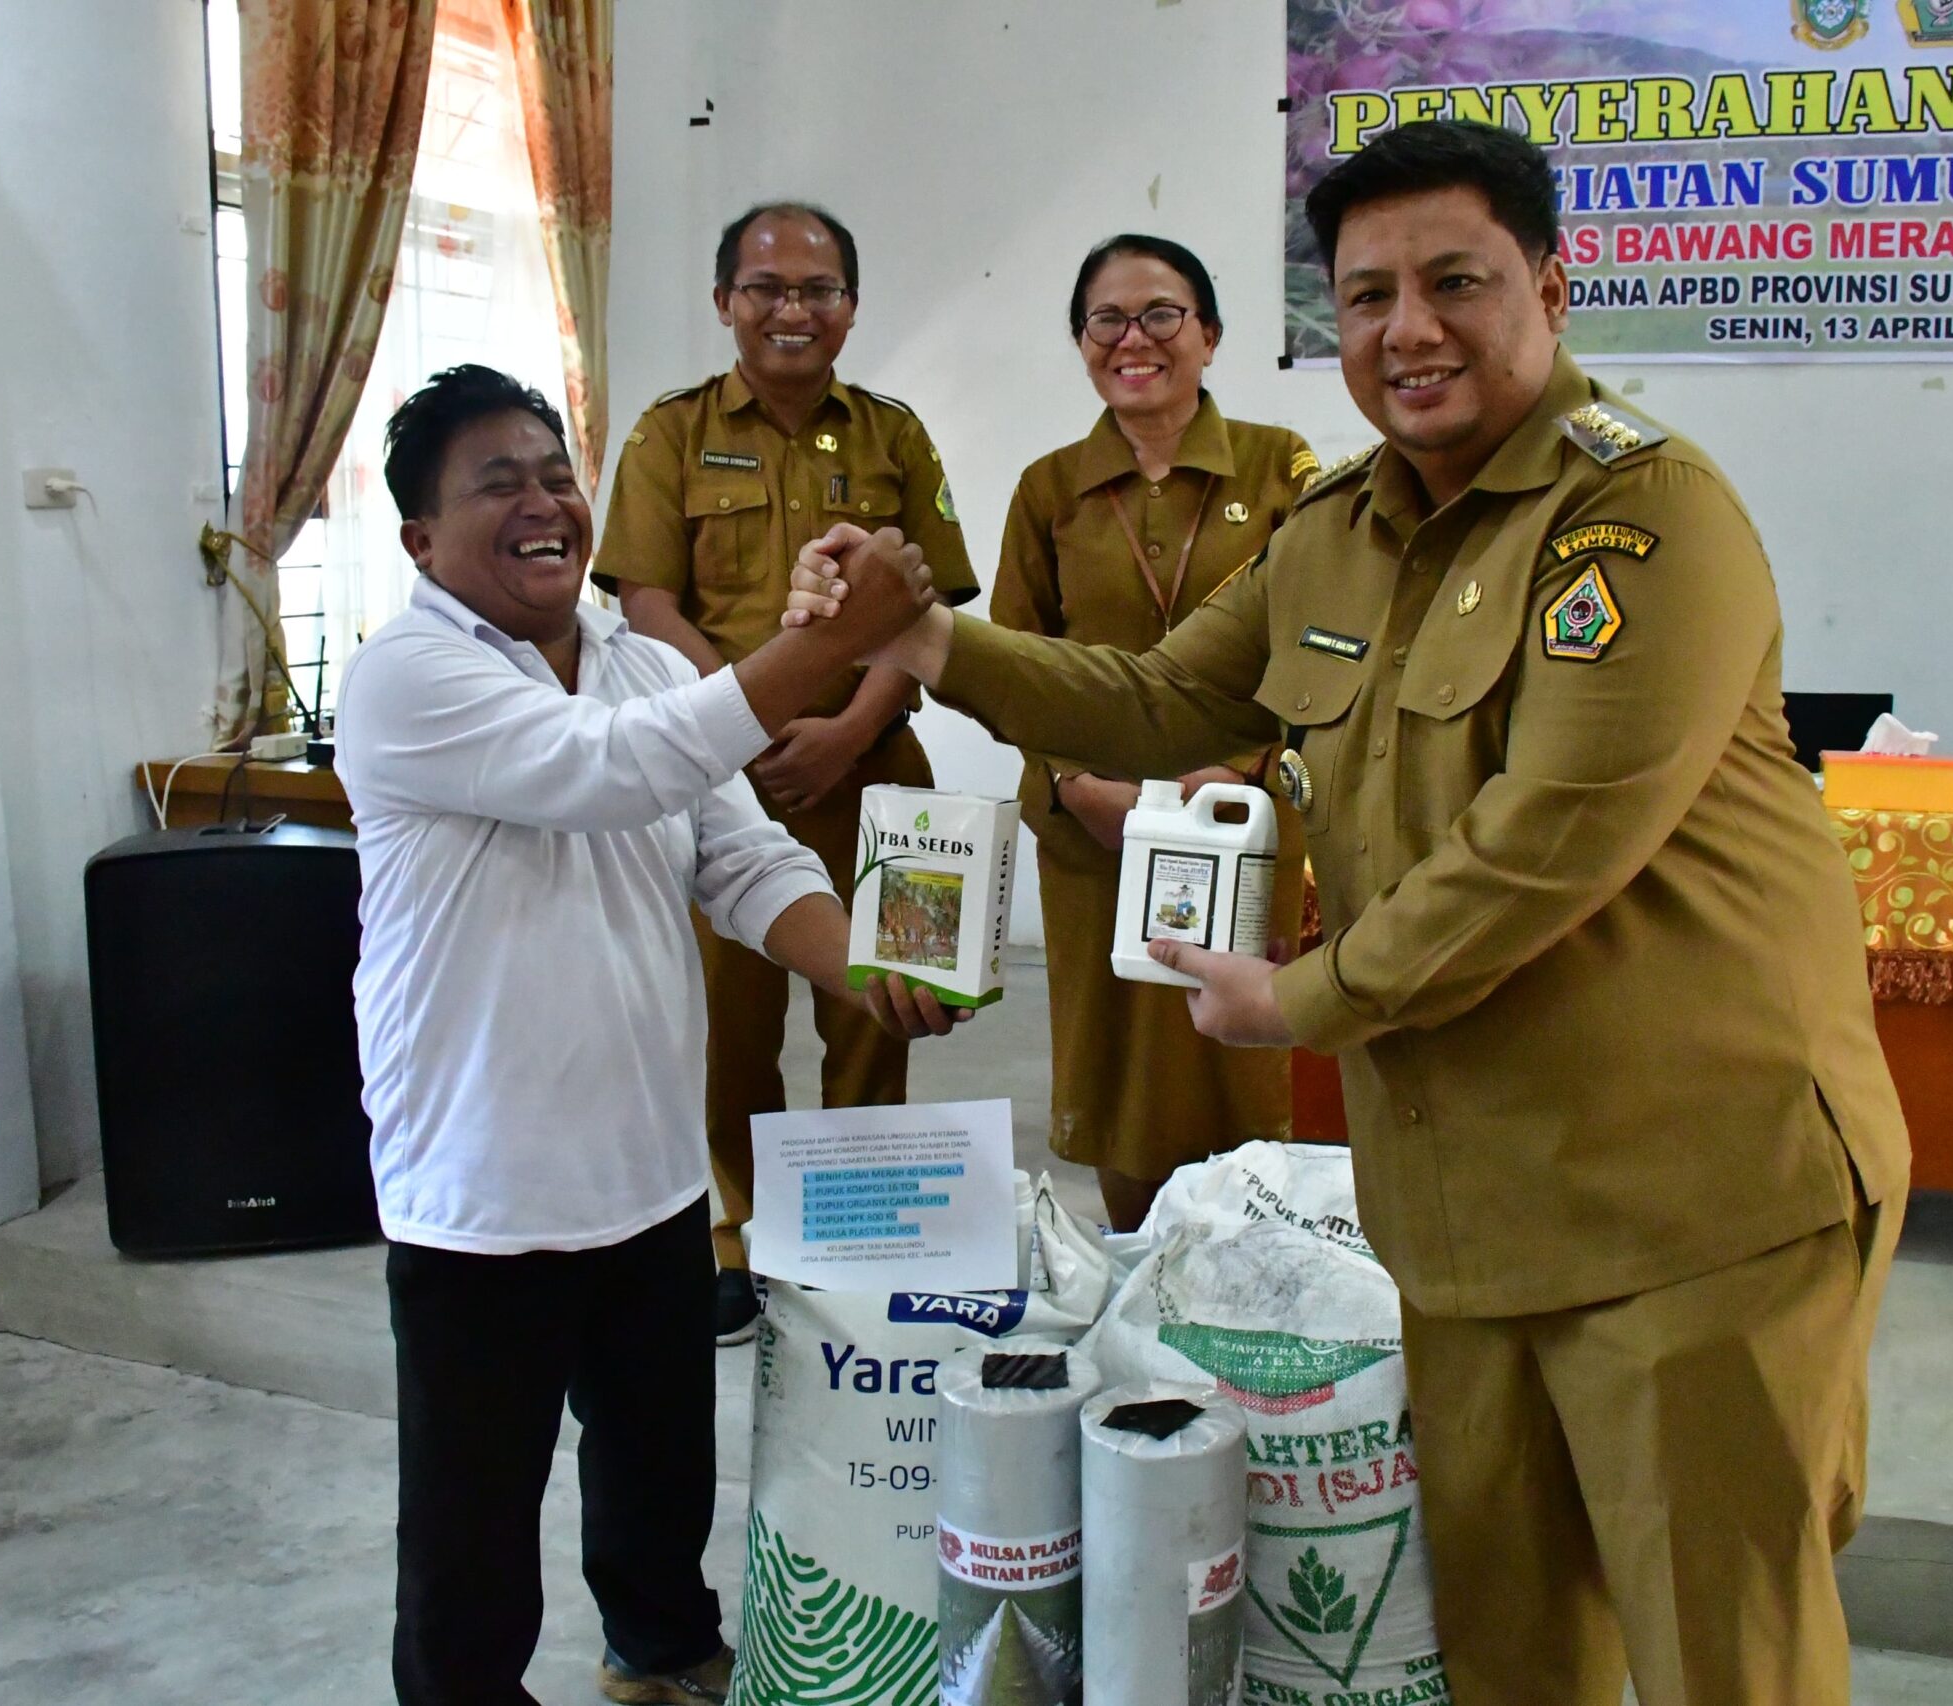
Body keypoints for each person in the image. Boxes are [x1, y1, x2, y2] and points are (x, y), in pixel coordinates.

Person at [788, 121, 1912, 1706]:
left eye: (1457, 282)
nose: (1409, 329)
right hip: (1465, 1216)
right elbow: (1158, 697)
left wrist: (1294, 1001)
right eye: (1370, 294)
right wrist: (926, 643)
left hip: (1690, 1204)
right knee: (1514, 1648)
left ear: (1551, 288)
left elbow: (1544, 845)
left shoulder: (1645, 518)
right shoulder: (1333, 534)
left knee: (1723, 1655)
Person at [336, 365, 952, 1706]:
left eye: (556, 475)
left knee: (660, 1461)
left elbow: (739, 854)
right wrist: (836, 643)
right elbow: (613, 769)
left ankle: (662, 1650)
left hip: (649, 1160)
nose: (542, 503)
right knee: (471, 1515)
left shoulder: (643, 661)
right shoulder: (407, 676)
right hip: (485, 1184)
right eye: (497, 484)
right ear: (421, 539)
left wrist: (870, 971)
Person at [590, 201, 981, 1344]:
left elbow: (930, 608)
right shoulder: (668, 435)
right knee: (728, 1023)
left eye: (817, 289)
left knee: (883, 1005)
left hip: (878, 765)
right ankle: (742, 1239)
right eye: (765, 287)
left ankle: (855, 1229)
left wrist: (849, 728)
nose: (791, 309)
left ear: (850, 308)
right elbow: (648, 603)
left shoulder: (895, 437)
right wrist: (743, 726)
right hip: (718, 779)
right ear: (725, 302)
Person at [988, 234, 1319, 1231]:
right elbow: (1014, 660)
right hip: (1099, 832)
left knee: (1252, 1067)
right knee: (1122, 1080)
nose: (1134, 338)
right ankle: (1140, 1271)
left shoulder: (1281, 467)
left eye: (1162, 314)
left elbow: (1325, 643)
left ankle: (1258, 1276)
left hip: (1245, 822)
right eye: (1107, 319)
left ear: (1208, 334)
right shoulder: (1049, 489)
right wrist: (1077, 784)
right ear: (1081, 341)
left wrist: (1242, 771)